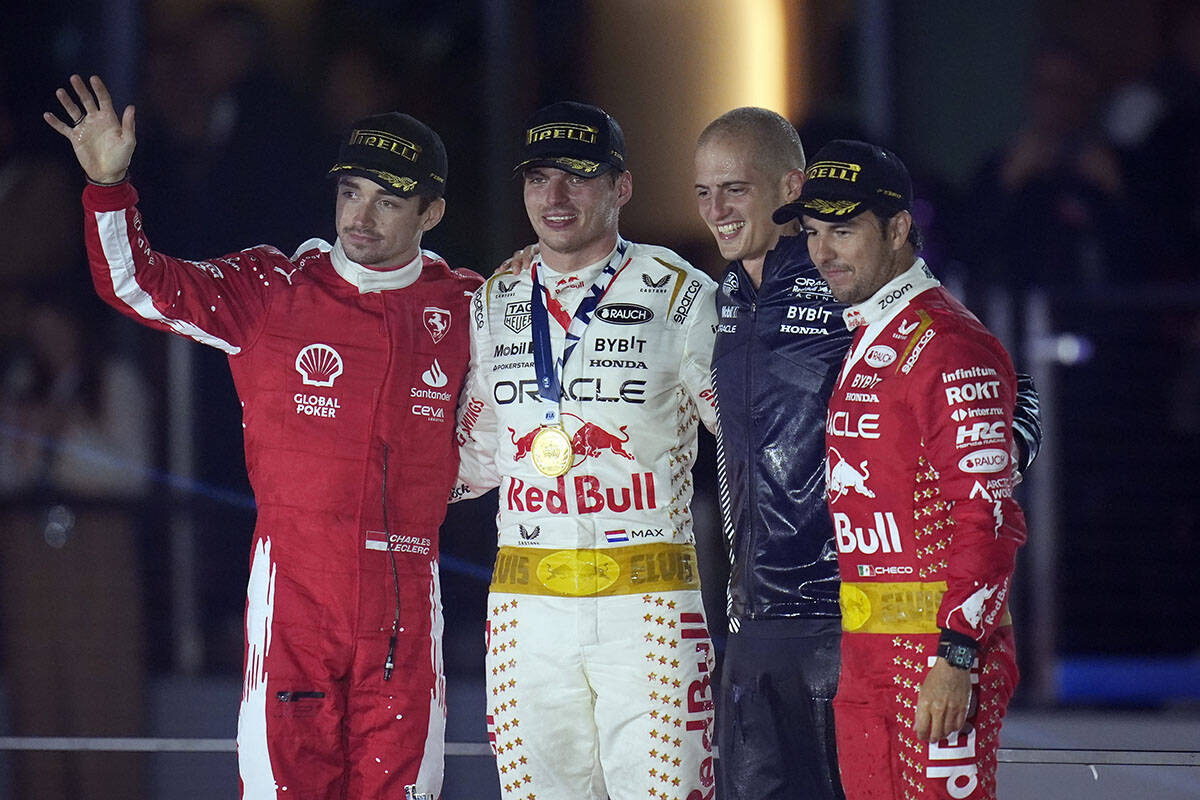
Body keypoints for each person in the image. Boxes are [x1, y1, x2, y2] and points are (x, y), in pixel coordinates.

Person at [45, 73, 481, 800]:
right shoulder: (273, 288)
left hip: (408, 600)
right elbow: (137, 284)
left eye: (389, 201)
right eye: (351, 193)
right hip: (295, 599)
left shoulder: (471, 304)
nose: (361, 216)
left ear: (432, 210)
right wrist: (109, 187)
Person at [452, 101, 720, 800]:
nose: (556, 197)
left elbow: (751, 435)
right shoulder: (493, 299)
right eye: (540, 179)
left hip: (648, 602)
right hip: (526, 606)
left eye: (578, 177)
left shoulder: (681, 294)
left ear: (621, 187)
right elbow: (477, 459)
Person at [781, 139, 1026, 800]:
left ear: (898, 228)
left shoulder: (946, 342)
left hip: (938, 658)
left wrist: (959, 655)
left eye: (843, 229)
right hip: (866, 659)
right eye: (812, 232)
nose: (823, 251)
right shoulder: (871, 335)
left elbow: (989, 516)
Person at [694, 107, 850, 800]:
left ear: (792, 186)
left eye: (735, 189)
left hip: (841, 619)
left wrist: (979, 480)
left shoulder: (848, 275)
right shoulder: (724, 291)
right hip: (752, 621)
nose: (716, 210)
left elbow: (997, 383)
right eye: (704, 192)